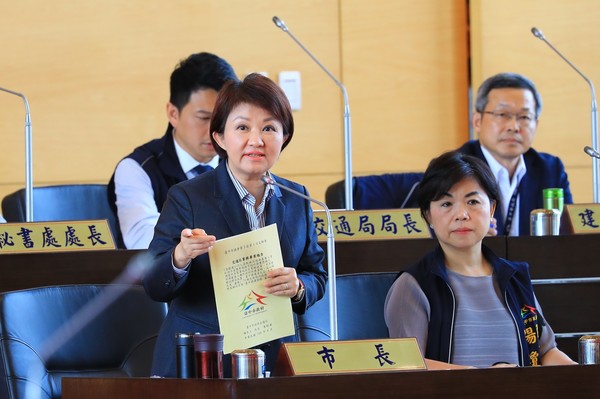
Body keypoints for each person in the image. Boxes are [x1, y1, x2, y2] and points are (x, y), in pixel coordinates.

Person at [143, 73, 327, 377]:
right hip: (203, 363)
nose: (256, 140)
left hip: (275, 360)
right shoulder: (188, 196)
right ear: (220, 137)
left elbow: (316, 274)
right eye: (242, 127)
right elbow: (152, 282)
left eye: (269, 128)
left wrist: (298, 287)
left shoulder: (297, 198)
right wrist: (181, 256)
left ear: (284, 137)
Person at [384, 151, 576, 369]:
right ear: (428, 215)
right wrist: (482, 380)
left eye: (473, 201)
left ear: (492, 208)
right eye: (446, 204)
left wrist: (580, 378)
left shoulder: (515, 278)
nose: (462, 214)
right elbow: (406, 366)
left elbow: (547, 351)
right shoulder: (414, 285)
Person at [107, 52, 238, 249]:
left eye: (226, 118)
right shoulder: (137, 168)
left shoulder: (239, 161)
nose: (216, 129)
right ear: (173, 114)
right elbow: (143, 243)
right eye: (204, 118)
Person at [457, 72, 572, 236]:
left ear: (536, 124)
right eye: (502, 115)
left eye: (524, 117)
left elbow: (568, 234)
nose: (514, 126)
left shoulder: (550, 170)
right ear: (477, 121)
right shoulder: (452, 170)